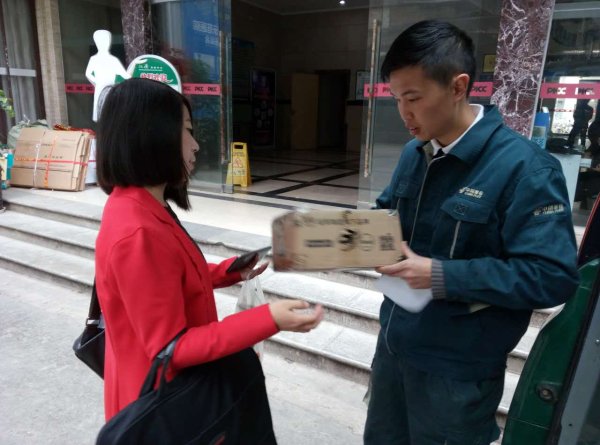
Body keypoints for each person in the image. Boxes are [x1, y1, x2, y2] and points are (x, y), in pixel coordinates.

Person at [364, 20, 579, 445]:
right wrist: (358, 239)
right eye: (397, 98)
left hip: (457, 376)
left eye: (414, 98)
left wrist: (440, 275)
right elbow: (388, 214)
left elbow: (552, 276)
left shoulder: (525, 169)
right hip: (393, 349)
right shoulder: (414, 152)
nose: (404, 113)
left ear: (458, 86)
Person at [95, 78, 324, 423]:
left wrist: (227, 272)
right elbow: (172, 348)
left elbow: (164, 281)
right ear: (152, 134)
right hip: (159, 409)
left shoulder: (140, 205)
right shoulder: (137, 231)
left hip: (163, 394)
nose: (196, 145)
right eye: (187, 131)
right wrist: (269, 318)